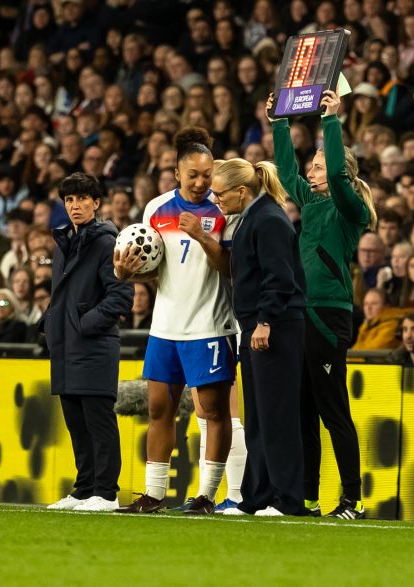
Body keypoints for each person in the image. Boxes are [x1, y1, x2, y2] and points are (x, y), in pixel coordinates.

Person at [115, 128, 244, 515]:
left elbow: (230, 267)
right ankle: (154, 495)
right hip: (165, 326)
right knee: (158, 410)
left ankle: (206, 496)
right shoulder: (155, 210)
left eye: (207, 174)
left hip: (210, 325)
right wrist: (126, 274)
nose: (202, 182)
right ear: (176, 174)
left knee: (215, 411)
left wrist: (202, 237)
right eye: (193, 175)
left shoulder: (223, 211)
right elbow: (155, 268)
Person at [271, 89, 376, 519]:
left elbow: (334, 174)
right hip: (302, 314)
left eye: (317, 167)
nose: (310, 173)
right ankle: (308, 498)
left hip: (329, 316)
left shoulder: (349, 209)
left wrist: (331, 120)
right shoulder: (311, 204)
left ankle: (352, 499)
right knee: (304, 413)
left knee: (334, 412)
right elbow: (284, 171)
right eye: (311, 167)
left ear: (340, 173)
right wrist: (279, 122)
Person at [210, 157, 308, 517]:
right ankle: (257, 497)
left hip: (275, 327)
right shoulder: (255, 217)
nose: (216, 200)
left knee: (277, 416)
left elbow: (279, 277)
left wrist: (266, 320)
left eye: (220, 194)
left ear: (241, 191)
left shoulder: (268, 220)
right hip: (256, 326)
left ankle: (287, 500)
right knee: (259, 417)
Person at [44, 172, 133, 512]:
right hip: (66, 348)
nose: (75, 205)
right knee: (77, 426)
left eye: (82, 198)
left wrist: (82, 324)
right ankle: (84, 489)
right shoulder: (65, 242)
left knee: (98, 423)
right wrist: (52, 324)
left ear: (96, 203)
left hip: (93, 347)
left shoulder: (107, 242)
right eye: (69, 200)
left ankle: (106, 493)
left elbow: (121, 296)